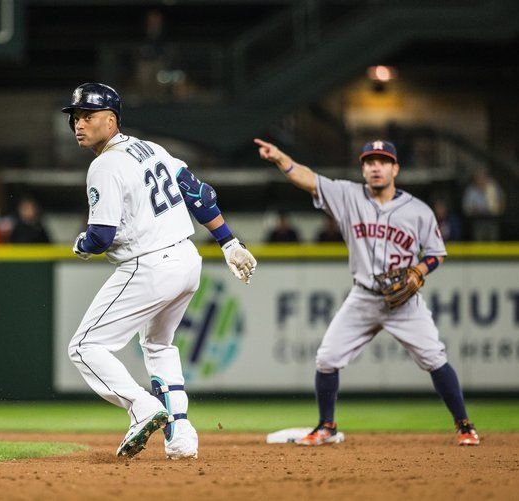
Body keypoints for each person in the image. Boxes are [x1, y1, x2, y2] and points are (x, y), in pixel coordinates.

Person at [63, 83, 256, 459]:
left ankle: (142, 406)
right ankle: (181, 435)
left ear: (111, 119)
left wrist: (82, 245)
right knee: (158, 345)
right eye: (75, 117)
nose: (78, 124)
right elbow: (198, 193)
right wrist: (229, 241)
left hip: (148, 265)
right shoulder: (151, 148)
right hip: (186, 261)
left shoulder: (104, 164)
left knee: (85, 347)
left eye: (87, 116)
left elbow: (101, 237)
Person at [254, 137, 479, 447]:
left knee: (434, 357)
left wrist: (419, 271)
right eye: (370, 162)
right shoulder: (347, 195)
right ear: (363, 169)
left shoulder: (418, 210)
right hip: (363, 296)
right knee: (327, 358)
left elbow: (436, 253)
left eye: (383, 162)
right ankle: (326, 426)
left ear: (395, 168)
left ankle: (464, 424)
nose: (376, 168)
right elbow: (307, 179)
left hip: (405, 302)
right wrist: (280, 157)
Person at [462, 168, 504, 241]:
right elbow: (466, 208)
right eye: (478, 177)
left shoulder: (493, 187)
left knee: (493, 244)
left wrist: (498, 208)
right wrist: (474, 209)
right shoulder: (471, 190)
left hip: (492, 220)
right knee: (479, 244)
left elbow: (501, 201)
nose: (480, 179)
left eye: (482, 176)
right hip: (478, 221)